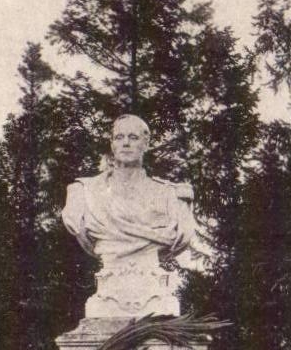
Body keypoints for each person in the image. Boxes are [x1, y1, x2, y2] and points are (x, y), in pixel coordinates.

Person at [62, 115, 195, 318]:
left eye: (133, 137)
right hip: (108, 288)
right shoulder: (83, 192)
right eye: (119, 137)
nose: (125, 143)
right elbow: (78, 225)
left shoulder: (170, 195)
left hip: (154, 294)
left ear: (146, 143)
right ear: (112, 144)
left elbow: (182, 235)